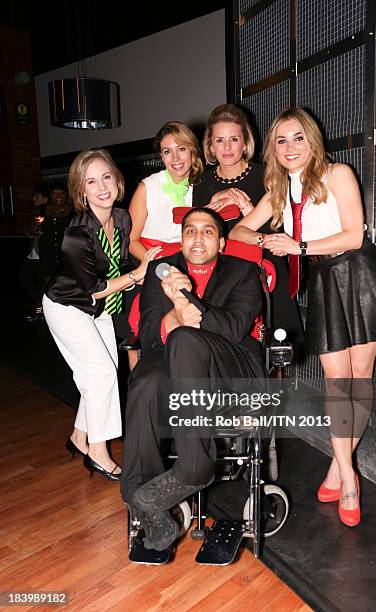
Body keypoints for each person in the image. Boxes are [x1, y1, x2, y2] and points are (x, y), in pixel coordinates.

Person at [230, 107, 376, 526]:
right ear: (273, 148)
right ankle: (346, 470)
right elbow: (238, 233)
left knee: (356, 383)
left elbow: (353, 233)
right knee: (335, 384)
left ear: (312, 140)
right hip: (326, 280)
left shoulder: (337, 173)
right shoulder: (277, 190)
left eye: (298, 138)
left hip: (360, 274)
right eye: (281, 140)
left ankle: (342, 475)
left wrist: (297, 246)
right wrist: (272, 240)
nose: (290, 147)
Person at [121, 207, 266, 550]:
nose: (198, 238)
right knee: (146, 381)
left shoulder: (243, 272)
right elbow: (150, 334)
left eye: (207, 231)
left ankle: (194, 467)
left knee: (185, 340)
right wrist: (173, 312)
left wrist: (188, 300)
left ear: (221, 241)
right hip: (178, 369)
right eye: (190, 231)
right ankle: (145, 503)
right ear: (181, 239)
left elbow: (233, 329)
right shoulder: (162, 275)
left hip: (232, 372)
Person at [42, 149, 161, 481]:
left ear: (117, 179)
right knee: (102, 375)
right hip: (67, 306)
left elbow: (113, 269)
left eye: (106, 177)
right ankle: (98, 452)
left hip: (100, 309)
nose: (102, 187)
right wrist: (139, 273)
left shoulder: (122, 219)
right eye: (91, 181)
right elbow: (92, 288)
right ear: (81, 190)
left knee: (102, 375)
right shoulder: (77, 233)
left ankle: (80, 437)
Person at [193, 103, 303, 344]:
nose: (227, 147)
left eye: (234, 139)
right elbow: (201, 236)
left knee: (275, 349)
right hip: (222, 277)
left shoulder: (267, 175)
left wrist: (245, 208)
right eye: (219, 141)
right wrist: (214, 202)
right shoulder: (201, 183)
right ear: (210, 145)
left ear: (245, 142)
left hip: (267, 269)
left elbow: (278, 230)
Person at [122, 121, 203, 369]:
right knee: (142, 323)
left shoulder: (203, 185)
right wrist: (156, 267)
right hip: (150, 261)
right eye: (167, 151)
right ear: (161, 155)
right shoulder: (147, 186)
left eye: (181, 149)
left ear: (193, 151)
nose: (175, 157)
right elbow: (130, 240)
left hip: (191, 262)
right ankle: (140, 382)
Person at [20, 186, 49, 322]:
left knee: (40, 282)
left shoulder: (49, 211)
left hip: (43, 254)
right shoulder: (37, 212)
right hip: (34, 252)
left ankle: (41, 308)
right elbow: (31, 230)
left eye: (37, 196)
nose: (33, 199)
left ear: (45, 198)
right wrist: (31, 231)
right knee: (26, 279)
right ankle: (40, 305)